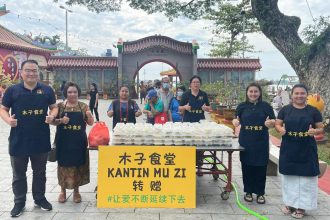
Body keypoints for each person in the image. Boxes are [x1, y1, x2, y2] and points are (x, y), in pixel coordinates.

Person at [0, 60, 58, 217]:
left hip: (40, 138)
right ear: (21, 72)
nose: (31, 73)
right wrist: (8, 121)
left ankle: (39, 199)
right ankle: (19, 203)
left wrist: (52, 116)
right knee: (19, 174)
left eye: (34, 70)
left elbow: (54, 106)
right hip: (19, 139)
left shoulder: (46, 90)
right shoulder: (13, 90)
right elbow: (3, 109)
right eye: (28, 70)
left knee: (40, 172)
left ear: (38, 72)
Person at [275, 84, 323, 219]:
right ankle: (290, 203)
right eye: (296, 93)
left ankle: (302, 207)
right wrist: (280, 129)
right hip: (289, 147)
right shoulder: (285, 110)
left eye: (302, 93)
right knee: (289, 177)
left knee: (306, 179)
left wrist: (315, 131)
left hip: (307, 148)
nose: (299, 96)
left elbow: (320, 128)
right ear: (292, 95)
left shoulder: (313, 111)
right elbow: (278, 123)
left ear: (306, 95)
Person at [232, 82, 275, 204]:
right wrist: (235, 121)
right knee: (247, 165)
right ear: (247, 93)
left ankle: (260, 193)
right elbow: (236, 118)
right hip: (246, 140)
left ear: (260, 93)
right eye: (251, 91)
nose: (253, 94)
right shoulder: (242, 106)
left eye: (256, 91)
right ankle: (249, 191)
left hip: (261, 140)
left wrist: (270, 123)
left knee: (261, 166)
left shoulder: (266, 106)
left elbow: (273, 120)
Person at [51, 82, 94, 203]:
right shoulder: (59, 106)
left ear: (78, 93)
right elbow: (51, 121)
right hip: (63, 141)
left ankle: (76, 191)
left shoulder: (83, 106)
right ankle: (62, 191)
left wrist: (90, 116)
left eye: (75, 92)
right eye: (69, 92)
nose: (72, 94)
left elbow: (90, 123)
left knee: (78, 166)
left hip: (78, 142)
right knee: (63, 166)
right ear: (66, 93)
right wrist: (61, 120)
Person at [179, 76, 211, 170]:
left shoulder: (203, 94)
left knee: (200, 142)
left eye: (197, 82)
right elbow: (179, 108)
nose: (196, 84)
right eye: (194, 82)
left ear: (200, 84)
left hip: (200, 120)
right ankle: (188, 164)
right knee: (189, 141)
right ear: (190, 84)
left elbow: (209, 108)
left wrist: (206, 108)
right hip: (188, 120)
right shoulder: (186, 94)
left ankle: (199, 163)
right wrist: (185, 107)